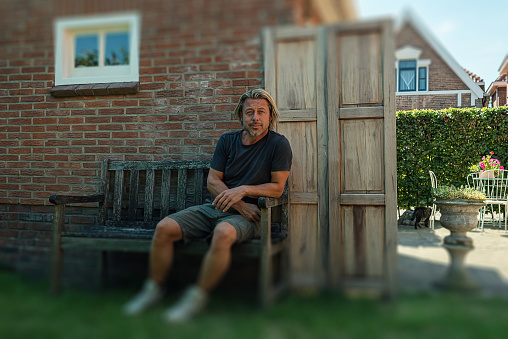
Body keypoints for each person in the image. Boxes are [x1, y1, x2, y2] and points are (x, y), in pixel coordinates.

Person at [124, 88, 292, 322]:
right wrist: (239, 204)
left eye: (261, 112)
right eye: (249, 112)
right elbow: (213, 180)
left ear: (270, 116)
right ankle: (153, 291)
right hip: (218, 206)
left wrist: (243, 191)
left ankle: (196, 298)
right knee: (164, 228)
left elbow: (277, 187)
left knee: (222, 233)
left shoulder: (278, 144)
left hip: (253, 216)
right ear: (240, 116)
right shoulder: (227, 141)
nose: (255, 118)